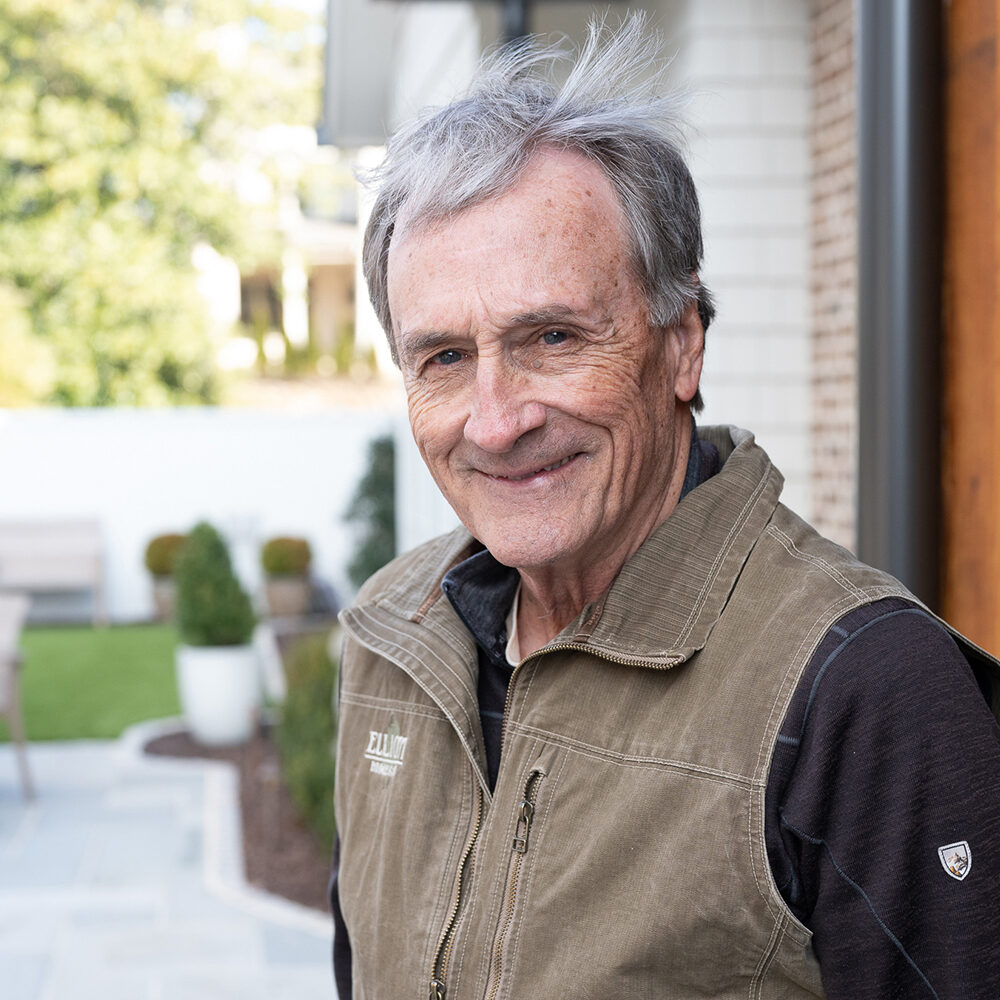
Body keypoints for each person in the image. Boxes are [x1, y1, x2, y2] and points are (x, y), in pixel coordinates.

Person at [331, 17, 1000, 999]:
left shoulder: (868, 690)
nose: (496, 418)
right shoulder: (395, 634)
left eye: (552, 336)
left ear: (681, 344)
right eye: (443, 357)